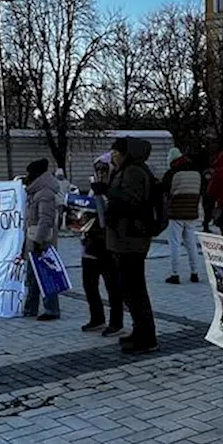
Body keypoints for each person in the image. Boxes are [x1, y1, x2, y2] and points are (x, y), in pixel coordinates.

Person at [107, 137, 160, 355]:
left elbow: (131, 203)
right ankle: (140, 330)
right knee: (129, 288)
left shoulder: (134, 172)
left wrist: (107, 193)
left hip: (132, 238)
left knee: (134, 289)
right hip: (126, 238)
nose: (113, 156)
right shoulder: (127, 170)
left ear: (126, 153)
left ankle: (146, 335)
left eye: (116, 152)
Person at [80, 152, 125, 336]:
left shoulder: (114, 187)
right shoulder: (94, 189)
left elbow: (117, 212)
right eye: (97, 168)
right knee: (89, 284)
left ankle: (116, 322)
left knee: (112, 286)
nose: (100, 172)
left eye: (104, 168)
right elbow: (86, 212)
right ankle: (96, 317)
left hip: (108, 243)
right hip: (90, 242)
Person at [22, 158, 62, 321]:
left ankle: (51, 309)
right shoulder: (37, 192)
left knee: (46, 275)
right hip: (35, 239)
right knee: (32, 276)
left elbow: (45, 220)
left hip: (42, 241)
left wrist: (38, 241)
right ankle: (30, 308)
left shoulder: (44, 193)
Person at [163, 147, 203, 284]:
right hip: (192, 212)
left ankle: (175, 274)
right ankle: (195, 272)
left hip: (176, 213)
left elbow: (165, 190)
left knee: (175, 243)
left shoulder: (172, 173)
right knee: (191, 243)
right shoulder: (196, 173)